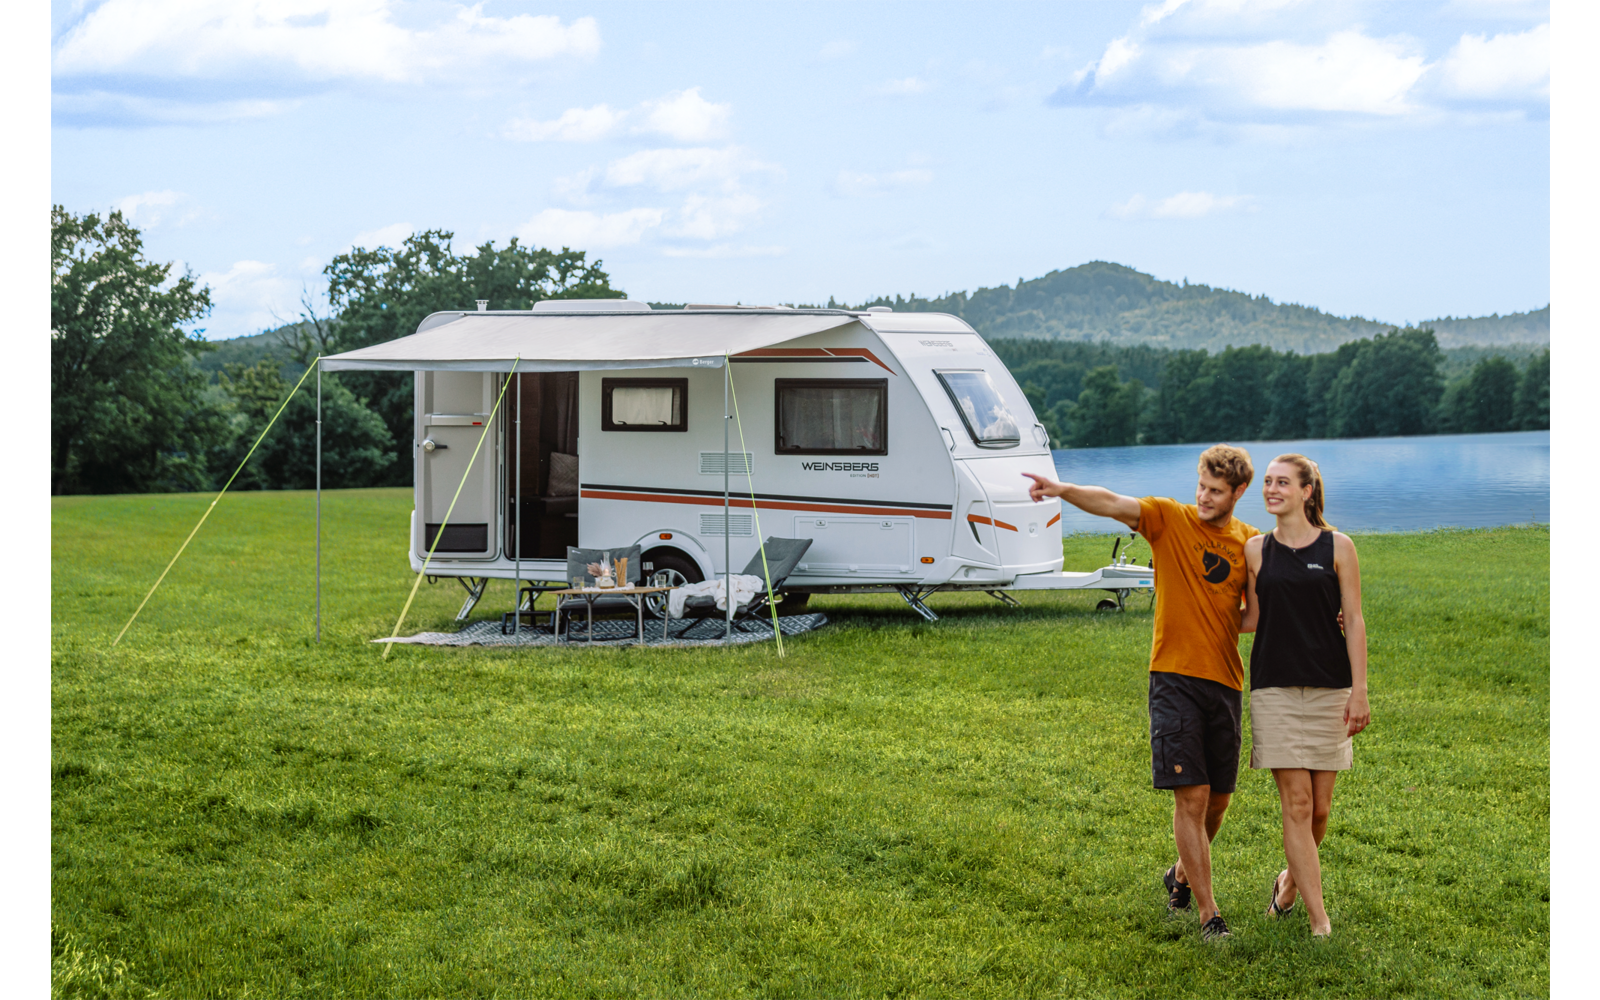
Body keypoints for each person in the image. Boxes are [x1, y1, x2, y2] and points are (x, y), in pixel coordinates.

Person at [1024, 444, 1259, 943]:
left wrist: (1333, 616)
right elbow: (1111, 501)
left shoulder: (1249, 541)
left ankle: (1178, 873)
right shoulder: (1170, 519)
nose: (1204, 497)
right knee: (1191, 798)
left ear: (1239, 492)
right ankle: (1208, 914)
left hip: (1226, 681)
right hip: (1173, 678)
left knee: (1218, 801)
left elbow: (1259, 612)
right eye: (1202, 486)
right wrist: (1063, 490)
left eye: (1216, 491)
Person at [1241, 454, 1369, 938]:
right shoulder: (1256, 550)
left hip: (1330, 688)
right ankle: (1319, 921)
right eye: (1268, 482)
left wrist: (1359, 690)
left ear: (1307, 491)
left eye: (1281, 483)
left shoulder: (1340, 547)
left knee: (1319, 811)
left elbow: (1353, 620)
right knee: (1295, 804)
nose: (1271, 489)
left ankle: (1289, 883)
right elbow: (1250, 617)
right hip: (1273, 687)